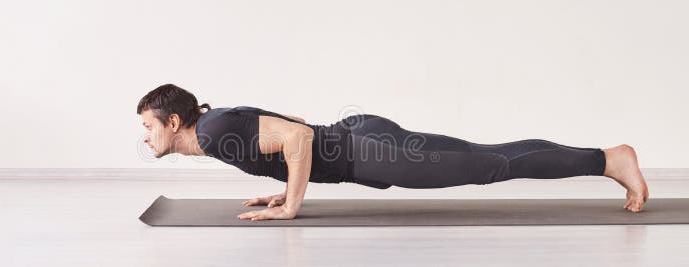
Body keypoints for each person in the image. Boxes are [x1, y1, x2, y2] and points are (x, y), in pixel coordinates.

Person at [137, 84, 649, 221]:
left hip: (371, 150)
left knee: (491, 164)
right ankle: (606, 158)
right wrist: (284, 187)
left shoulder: (213, 129)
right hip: (362, 145)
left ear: (174, 123)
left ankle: (608, 160)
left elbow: (299, 138)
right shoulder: (216, 129)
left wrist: (294, 203)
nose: (145, 137)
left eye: (147, 127)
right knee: (487, 157)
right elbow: (293, 131)